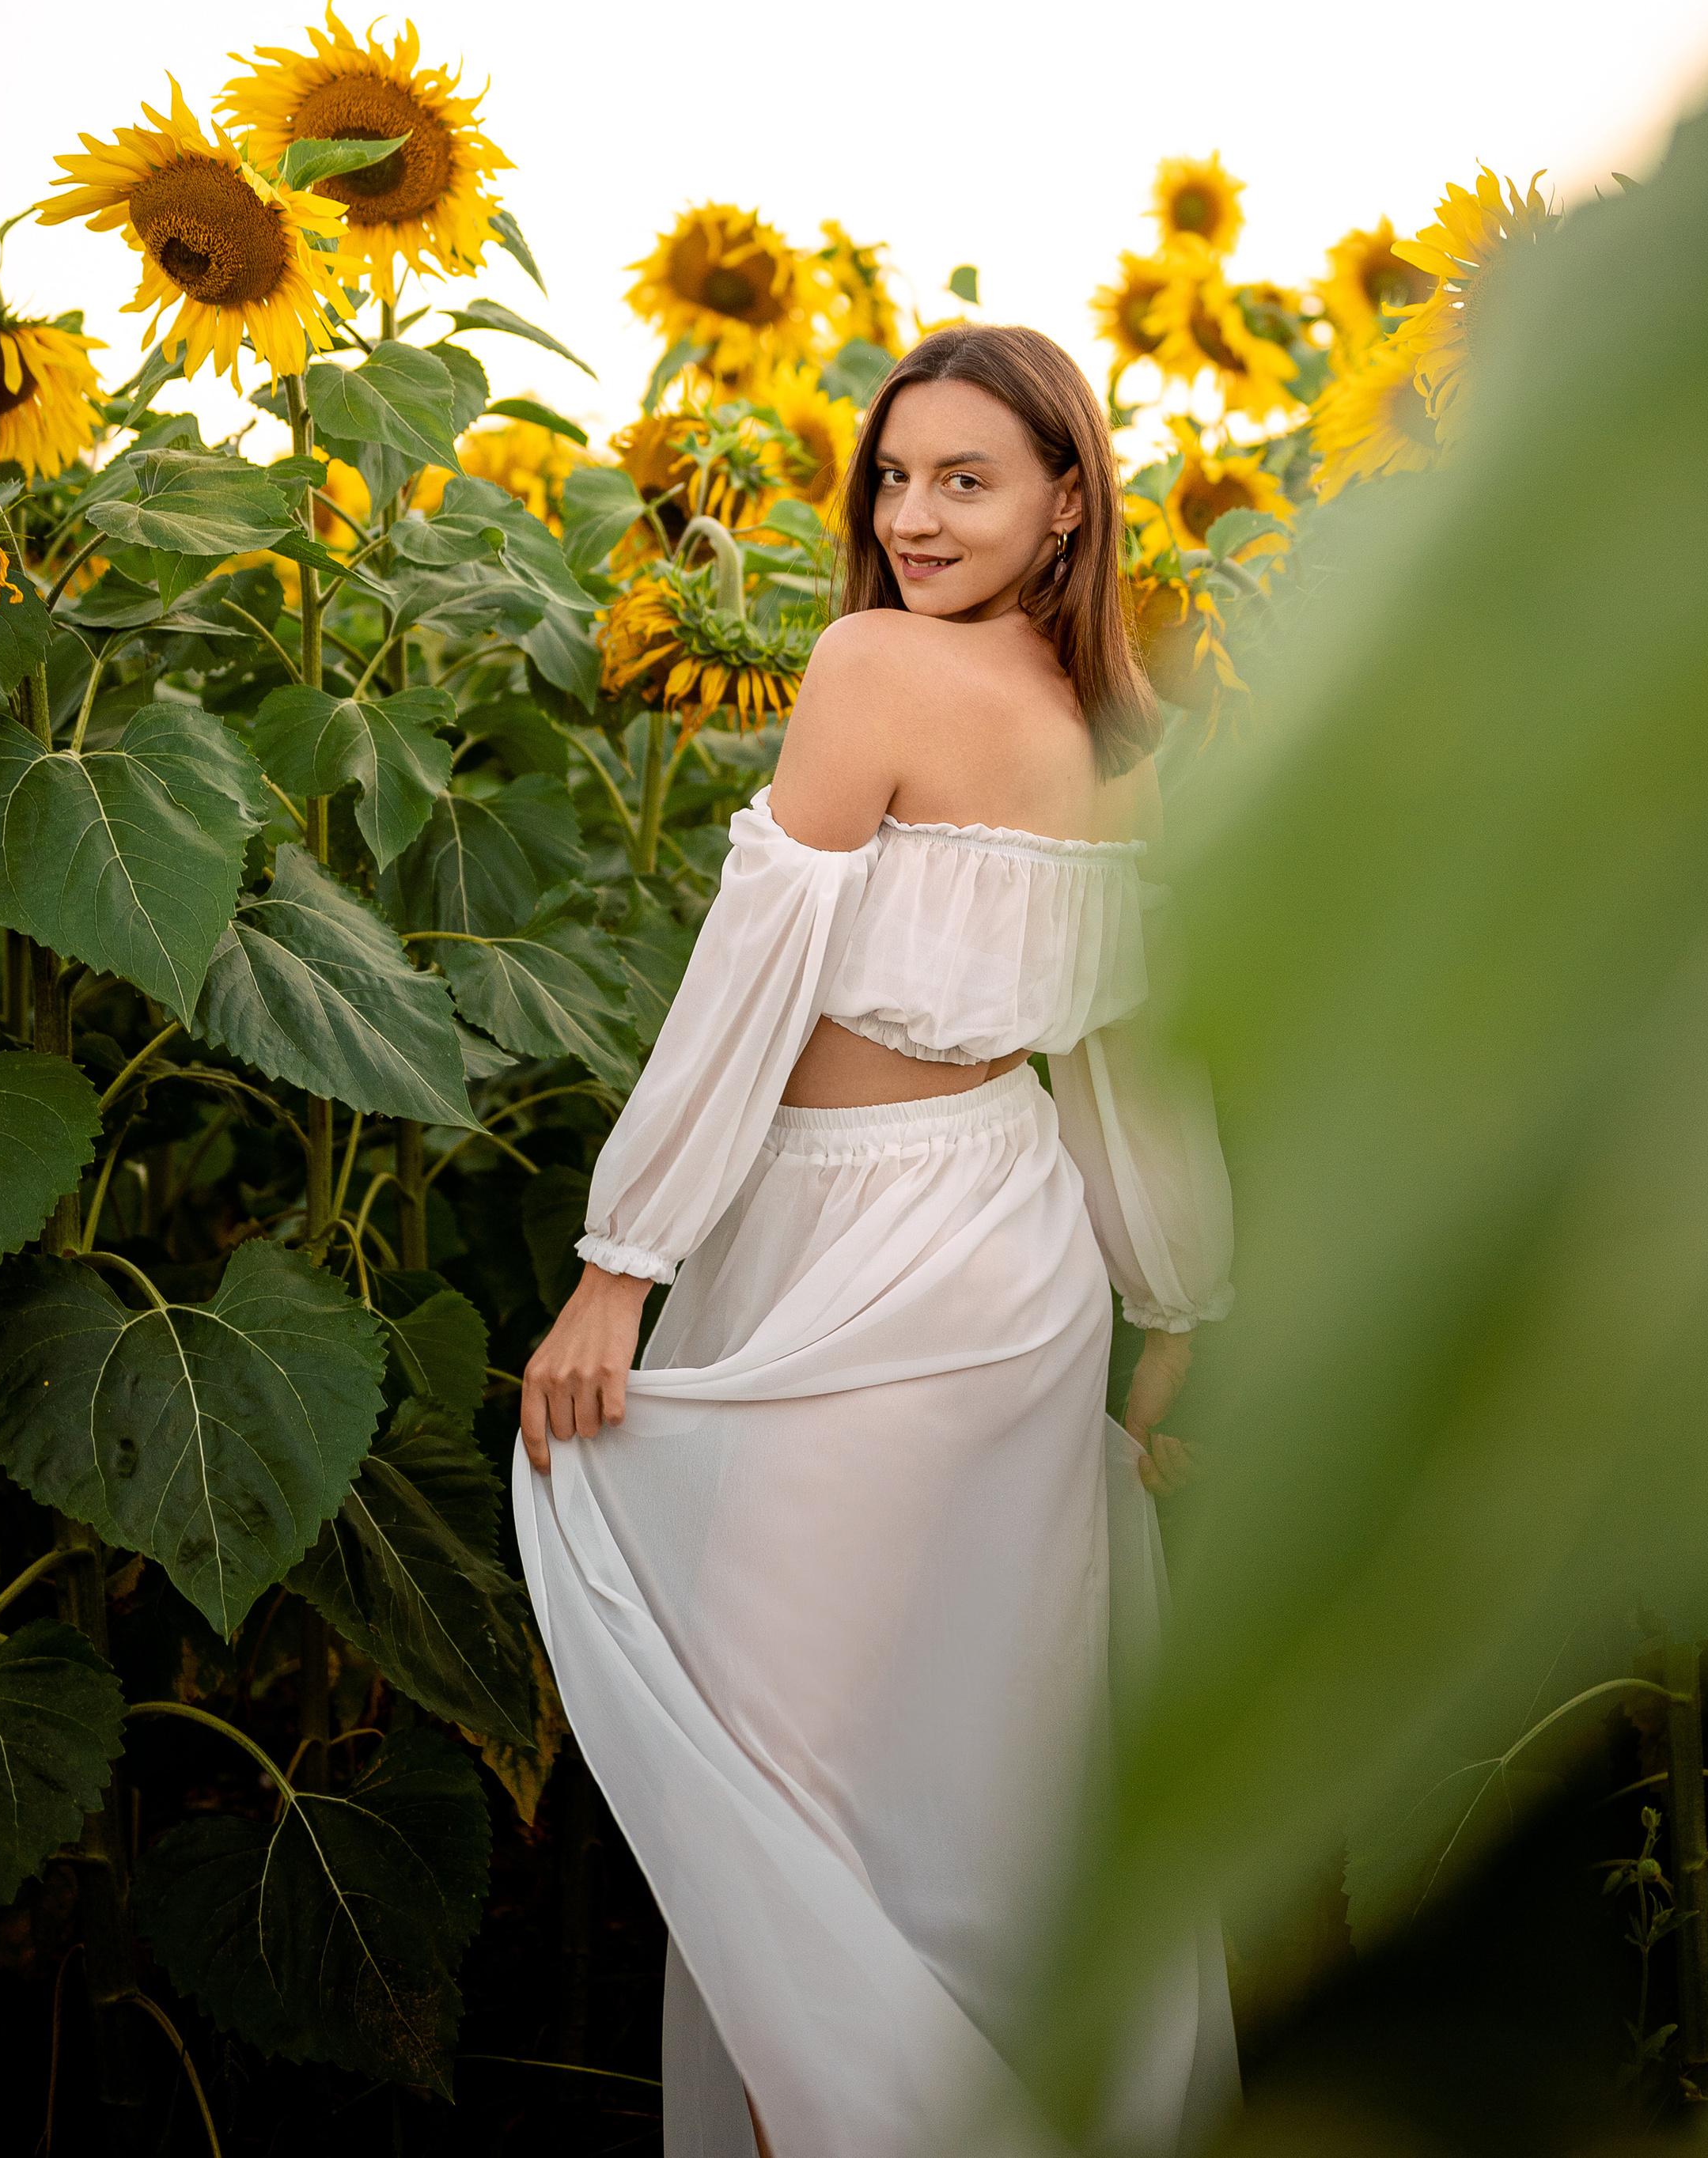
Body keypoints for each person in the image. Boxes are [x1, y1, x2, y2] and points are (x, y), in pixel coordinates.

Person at [513, 323, 1238, 2158]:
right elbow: (1131, 1060)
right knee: (943, 1784)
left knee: (786, 1782)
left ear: (1067, 498)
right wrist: (1171, 1305)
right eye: (894, 479)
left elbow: (748, 971)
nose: (913, 517)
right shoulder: (1123, 739)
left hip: (877, 1246)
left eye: (966, 480)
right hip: (1001, 1249)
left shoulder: (868, 666)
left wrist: (621, 1261)